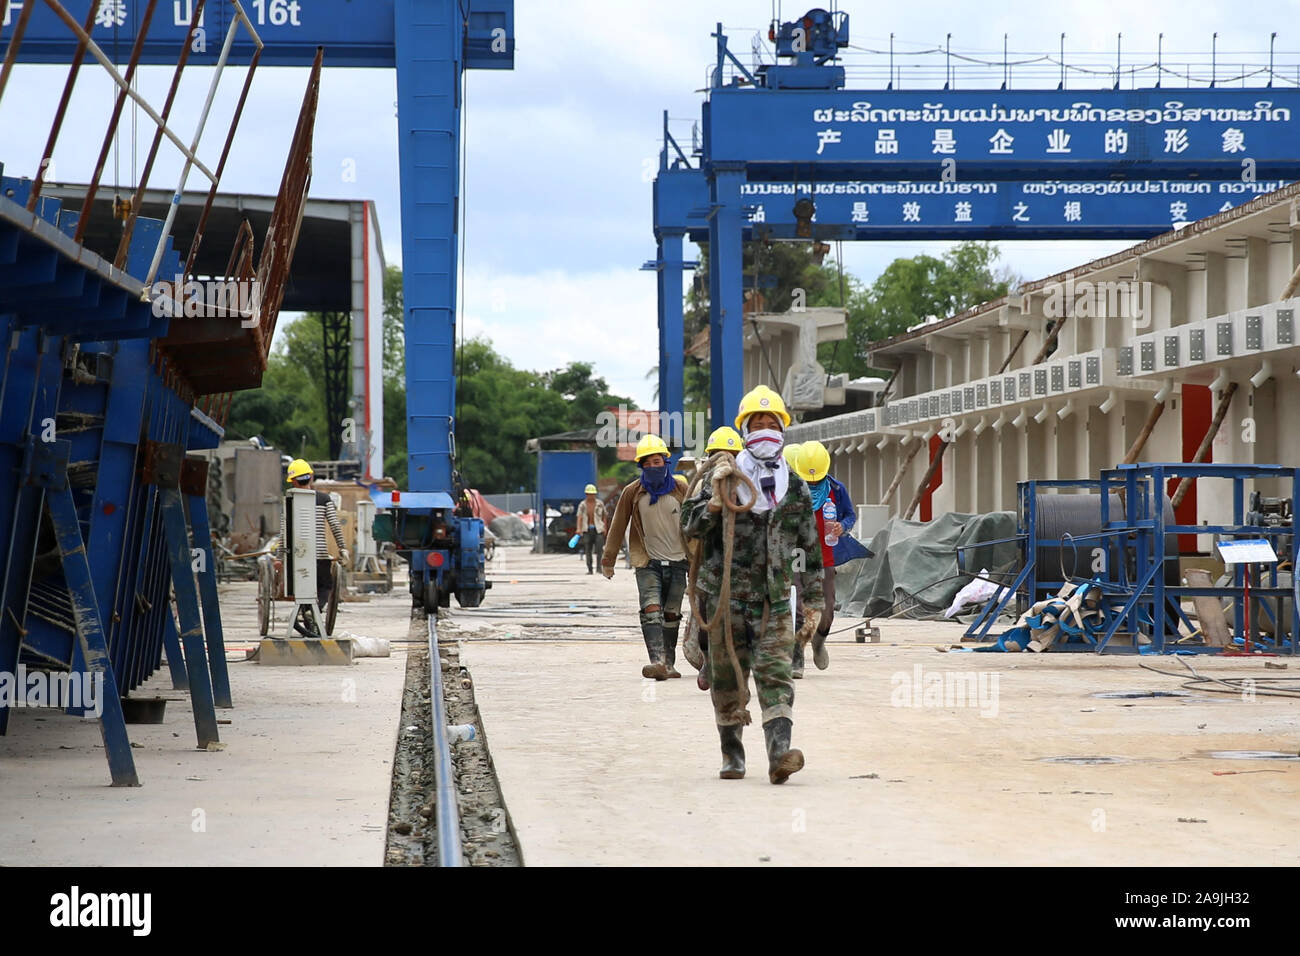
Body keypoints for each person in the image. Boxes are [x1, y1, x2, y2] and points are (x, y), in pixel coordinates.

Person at [681, 385, 823, 784]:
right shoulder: (722, 477)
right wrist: (712, 503)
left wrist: (812, 604)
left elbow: (810, 551)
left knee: (776, 674)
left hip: (774, 601)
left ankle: (780, 754)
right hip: (725, 600)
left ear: (782, 430)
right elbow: (688, 527)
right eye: (756, 423)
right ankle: (732, 755)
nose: (764, 429)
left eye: (771, 423)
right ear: (744, 430)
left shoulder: (794, 487)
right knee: (727, 677)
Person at [602, 435, 690, 680]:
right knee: (651, 610)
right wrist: (608, 561)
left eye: (657, 461)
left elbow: (695, 527)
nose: (653, 467)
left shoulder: (682, 489)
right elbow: (618, 525)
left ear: (665, 461)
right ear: (641, 466)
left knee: (672, 613)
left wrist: (698, 563)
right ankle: (657, 661)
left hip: (679, 561)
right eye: (647, 463)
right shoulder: (632, 492)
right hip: (647, 562)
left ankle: (669, 663)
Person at [789, 440, 870, 677]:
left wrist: (842, 527)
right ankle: (796, 658)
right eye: (808, 478)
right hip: (798, 556)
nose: (812, 482)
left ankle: (819, 641)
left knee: (827, 610)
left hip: (825, 558)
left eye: (816, 478)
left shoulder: (836, 490)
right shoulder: (791, 490)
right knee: (798, 606)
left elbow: (849, 514)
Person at [278, 459, 349, 637]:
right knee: (325, 586)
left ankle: (306, 614)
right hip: (319, 555)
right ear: (311, 477)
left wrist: (279, 557)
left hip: (295, 558)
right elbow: (335, 525)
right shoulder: (325, 499)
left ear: (293, 481)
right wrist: (343, 548)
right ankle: (315, 610)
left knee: (300, 588)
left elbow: (283, 530)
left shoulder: (289, 500)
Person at [576, 483, 607, 575]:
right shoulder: (582, 505)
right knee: (588, 550)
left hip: (598, 529)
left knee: (599, 549)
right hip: (587, 529)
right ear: (586, 494)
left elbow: (604, 516)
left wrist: (605, 527)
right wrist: (579, 528)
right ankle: (590, 569)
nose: (591, 496)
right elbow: (580, 517)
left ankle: (599, 568)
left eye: (593, 494)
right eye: (589, 494)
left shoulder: (599, 504)